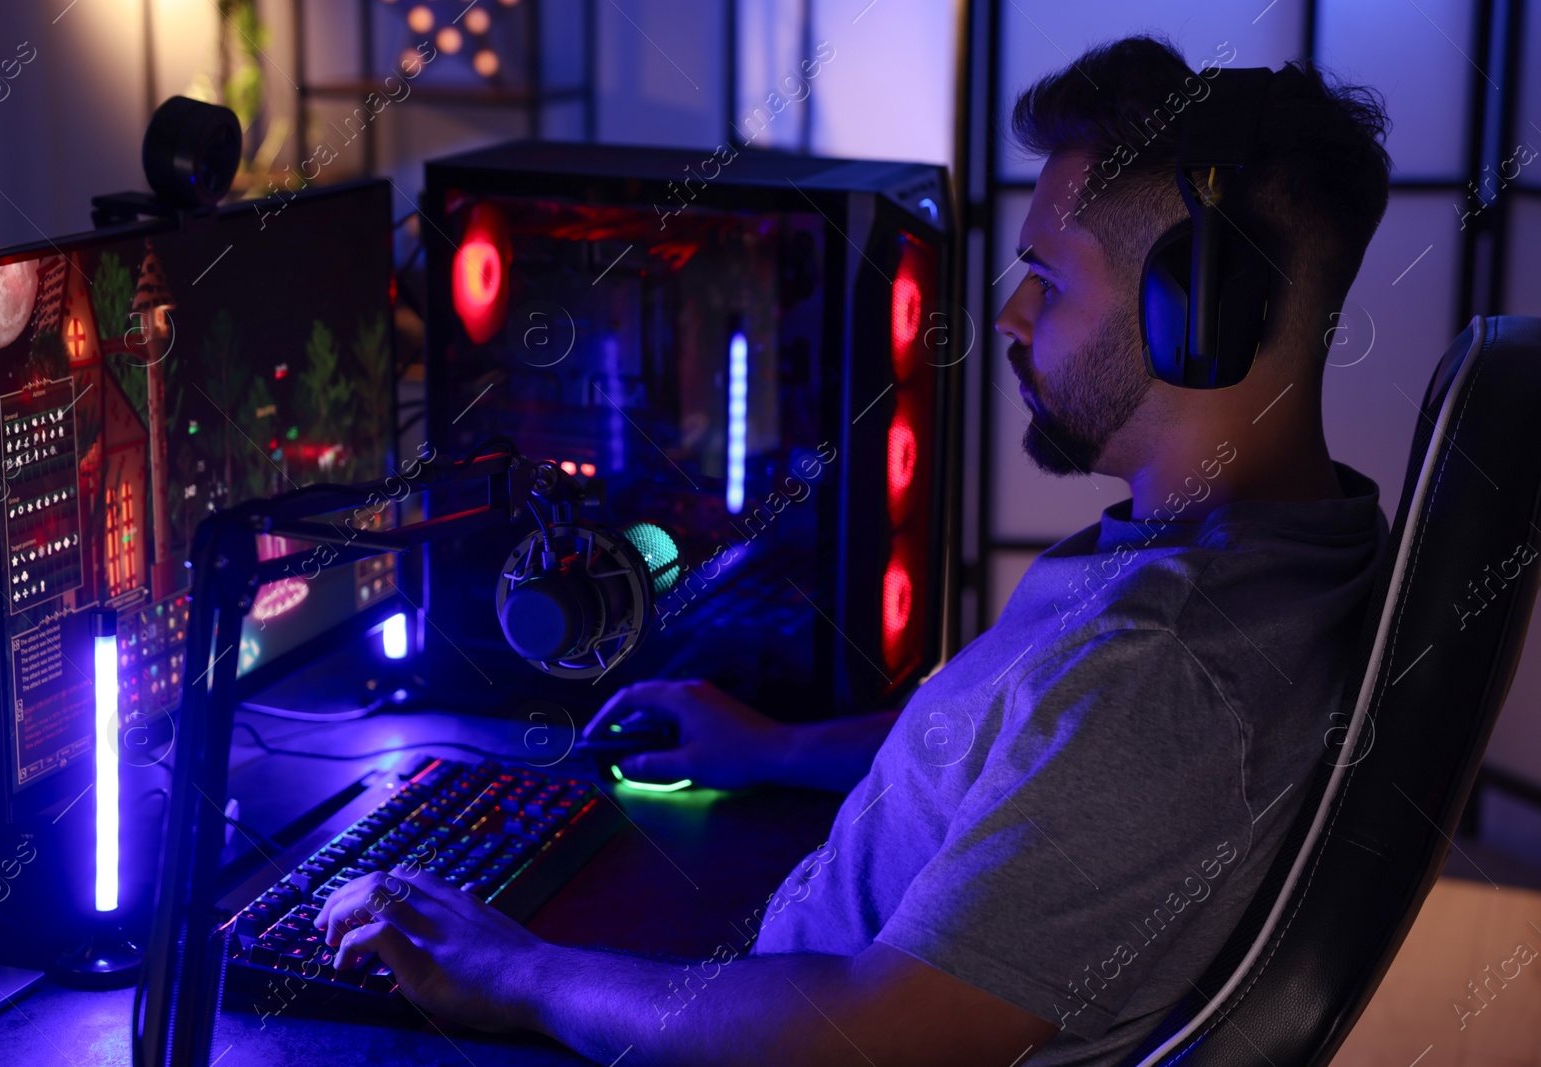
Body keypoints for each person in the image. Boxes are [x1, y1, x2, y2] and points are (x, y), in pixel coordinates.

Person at [314, 36, 1393, 1066]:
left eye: (1048, 279)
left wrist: (519, 975)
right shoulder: (1286, 543)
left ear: (1191, 315)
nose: (1009, 316)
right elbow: (1031, 752)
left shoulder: (1163, 665)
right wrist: (779, 749)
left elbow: (882, 1038)